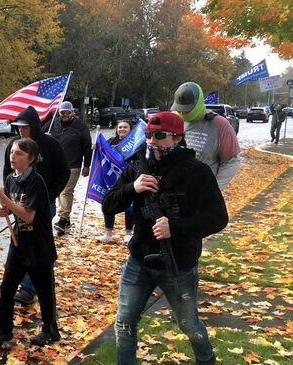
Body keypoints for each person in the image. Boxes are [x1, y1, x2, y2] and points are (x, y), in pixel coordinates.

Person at [102, 112, 227, 365]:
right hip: (139, 261)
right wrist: (132, 188)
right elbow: (108, 205)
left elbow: (217, 217)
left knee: (188, 324)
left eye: (160, 136)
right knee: (124, 322)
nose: (153, 141)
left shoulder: (197, 172)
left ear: (178, 138)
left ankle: (207, 359)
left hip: (178, 264)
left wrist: (176, 228)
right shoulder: (137, 168)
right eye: (149, 135)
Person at [0, 138, 60, 348]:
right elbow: (16, 207)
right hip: (18, 243)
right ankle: (4, 332)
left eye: (19, 153)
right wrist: (6, 210)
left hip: (39, 245)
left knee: (44, 291)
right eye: (12, 152)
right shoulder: (11, 179)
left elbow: (29, 216)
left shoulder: (36, 181)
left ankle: (50, 329)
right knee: (7, 287)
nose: (13, 156)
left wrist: (5, 200)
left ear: (30, 159)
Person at [3, 106, 69, 305]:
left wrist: (50, 194)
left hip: (43, 203)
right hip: (19, 203)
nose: (21, 131)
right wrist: (8, 200)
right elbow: (8, 174)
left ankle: (29, 288)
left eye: (25, 127)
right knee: (20, 239)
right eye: (18, 127)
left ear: (33, 126)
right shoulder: (14, 146)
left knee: (37, 243)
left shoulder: (50, 144)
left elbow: (63, 172)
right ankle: (18, 281)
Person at [170, 82, 240, 190]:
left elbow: (231, 162)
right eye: (180, 110)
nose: (183, 114)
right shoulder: (175, 120)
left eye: (187, 110)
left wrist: (214, 190)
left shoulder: (219, 124)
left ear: (197, 104)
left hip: (204, 193)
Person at [44, 101, 92, 236]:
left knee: (66, 191)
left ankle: (62, 219)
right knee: (59, 191)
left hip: (73, 165)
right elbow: (40, 133)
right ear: (59, 113)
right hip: (55, 165)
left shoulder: (80, 126)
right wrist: (44, 136)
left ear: (72, 112)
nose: (65, 115)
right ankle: (66, 220)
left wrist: (87, 165)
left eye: (67, 112)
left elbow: (87, 146)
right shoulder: (53, 123)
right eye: (62, 112)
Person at [98, 120, 134, 243]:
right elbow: (102, 152)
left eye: (125, 127)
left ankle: (128, 233)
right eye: (120, 127)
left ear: (130, 129)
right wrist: (96, 147)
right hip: (112, 178)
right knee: (109, 203)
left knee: (130, 207)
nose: (122, 129)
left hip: (128, 177)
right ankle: (108, 233)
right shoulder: (111, 142)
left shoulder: (135, 142)